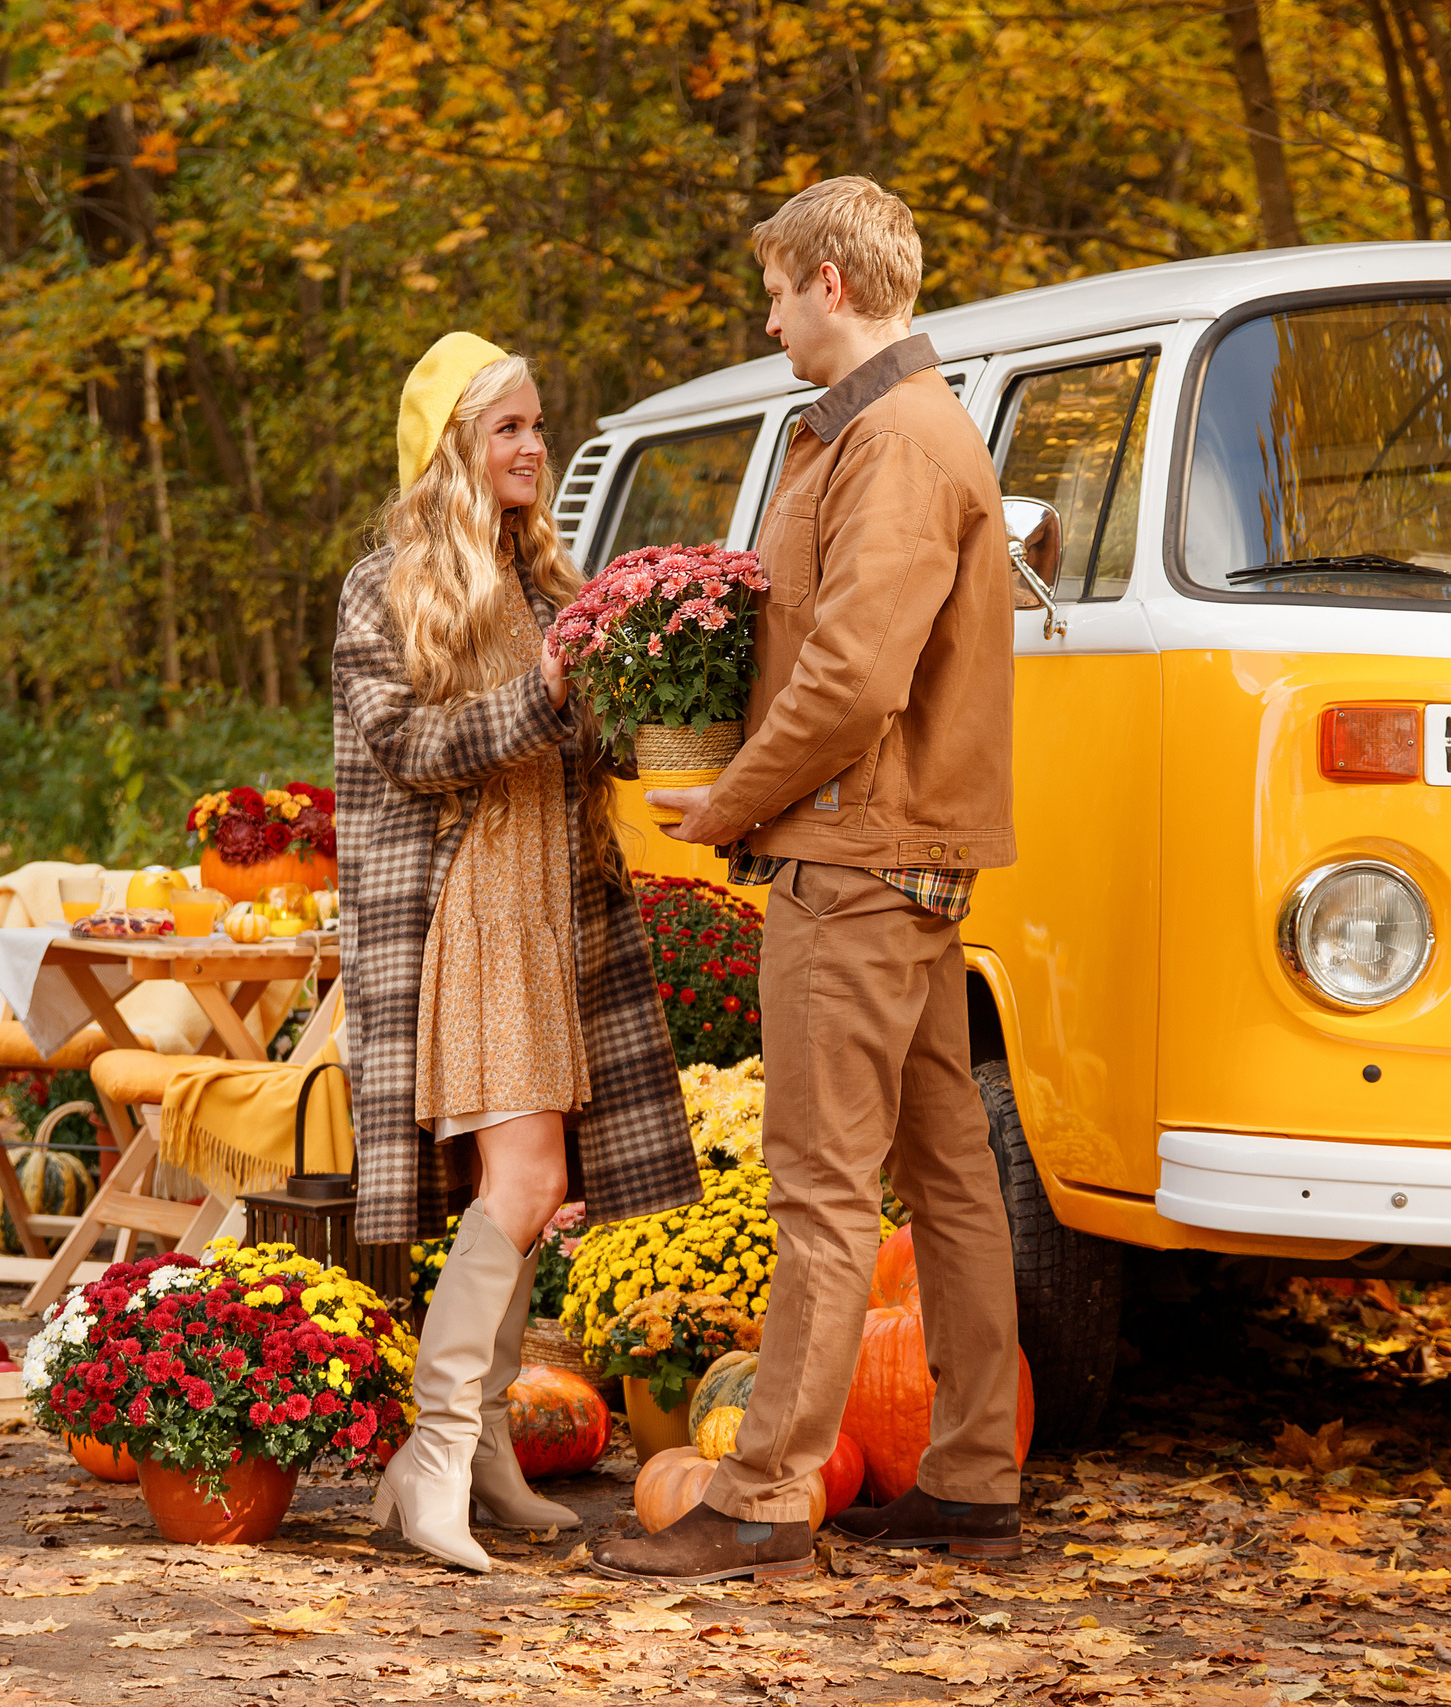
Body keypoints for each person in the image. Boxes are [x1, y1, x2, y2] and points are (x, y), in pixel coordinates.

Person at [593, 178, 1021, 1585]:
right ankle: (970, 1474)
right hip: (907, 860)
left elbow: (852, 677)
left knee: (822, 1192)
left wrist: (729, 799)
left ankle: (766, 1490)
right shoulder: (894, 429)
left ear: (833, 281)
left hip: (852, 863)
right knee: (949, 1179)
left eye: (777, 288)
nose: (768, 313)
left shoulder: (897, 440)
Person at [334, 332, 699, 1573]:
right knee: (527, 1186)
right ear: (452, 450)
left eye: (539, 424)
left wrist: (674, 684)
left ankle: (479, 1452)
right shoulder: (386, 589)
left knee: (530, 1201)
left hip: (557, 910)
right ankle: (431, 1458)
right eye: (508, 428)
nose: (535, 444)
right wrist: (545, 688)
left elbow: (598, 753)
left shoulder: (552, 584)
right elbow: (406, 749)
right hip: (467, 915)